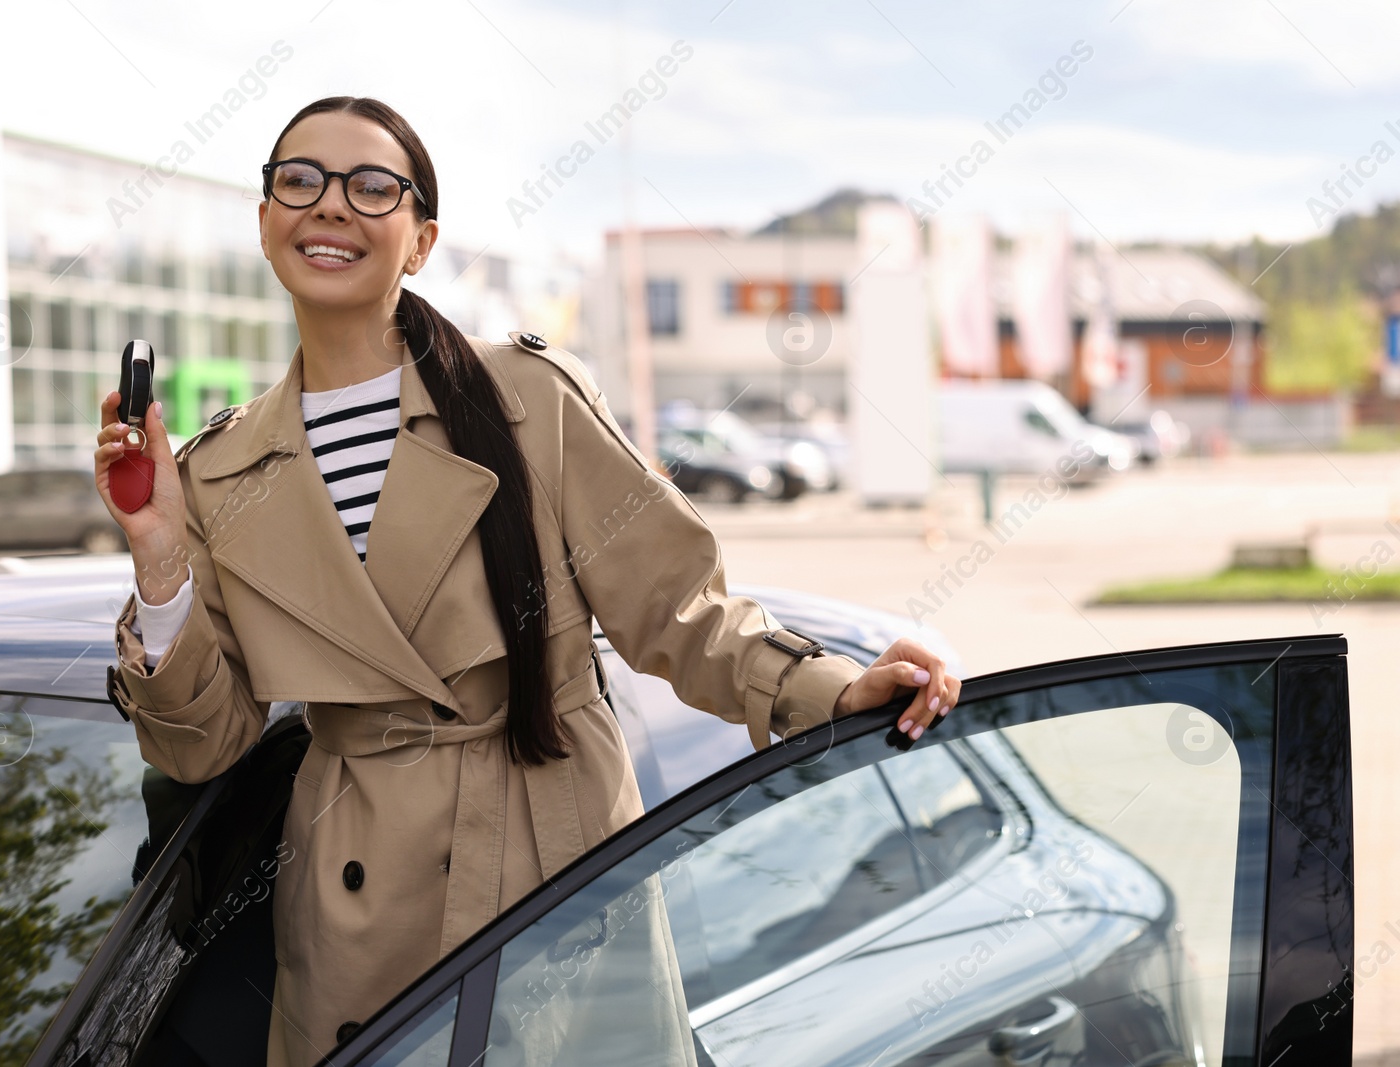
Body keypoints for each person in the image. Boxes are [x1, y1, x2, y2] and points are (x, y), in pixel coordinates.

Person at [93, 95, 960, 1067]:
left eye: (372, 186)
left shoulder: (525, 398)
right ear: (264, 221)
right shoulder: (215, 470)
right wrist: (158, 549)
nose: (330, 205)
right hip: (350, 908)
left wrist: (831, 687)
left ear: (419, 241)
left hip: (557, 877)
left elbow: (677, 609)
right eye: (299, 180)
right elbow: (203, 745)